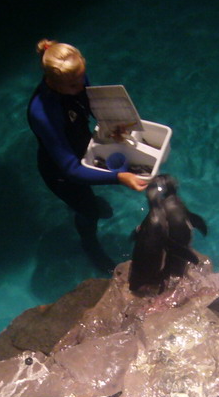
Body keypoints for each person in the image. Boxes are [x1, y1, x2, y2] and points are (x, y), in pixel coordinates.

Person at [27, 39, 148, 273]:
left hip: (82, 148)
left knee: (91, 198)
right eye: (74, 85)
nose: (81, 85)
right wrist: (119, 177)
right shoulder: (43, 112)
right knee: (87, 210)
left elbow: (90, 104)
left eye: (83, 77)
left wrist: (112, 123)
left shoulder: (75, 79)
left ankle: (90, 203)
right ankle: (90, 245)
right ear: (53, 82)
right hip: (61, 172)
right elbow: (71, 169)